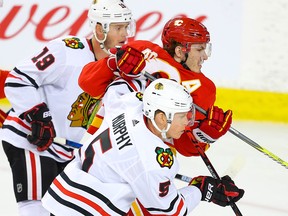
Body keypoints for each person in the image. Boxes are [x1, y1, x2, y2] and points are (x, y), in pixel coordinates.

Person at [0, 0, 135, 215]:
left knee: (64, 209)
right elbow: (18, 79)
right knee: (35, 205)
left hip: (63, 148)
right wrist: (38, 117)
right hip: (29, 138)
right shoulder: (67, 50)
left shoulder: (116, 67)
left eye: (127, 27)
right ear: (100, 29)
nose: (125, 34)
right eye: (118, 28)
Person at [42, 78, 244, 215]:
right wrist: (201, 190)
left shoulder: (131, 105)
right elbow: (169, 211)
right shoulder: (153, 160)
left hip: (60, 196)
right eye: (183, 116)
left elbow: (119, 85)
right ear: (161, 118)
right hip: (88, 211)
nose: (188, 123)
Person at [78, 17, 232, 157]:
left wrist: (204, 134)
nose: (205, 56)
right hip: (105, 140)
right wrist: (112, 64)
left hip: (148, 157)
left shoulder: (204, 88)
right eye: (199, 50)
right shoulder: (142, 50)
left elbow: (184, 146)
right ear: (180, 51)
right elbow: (86, 82)